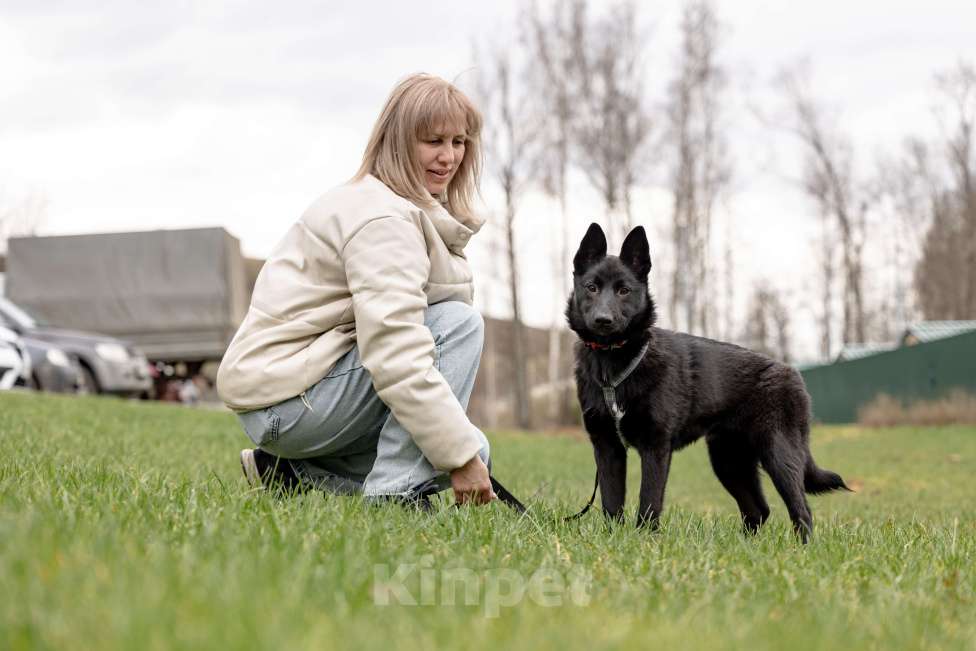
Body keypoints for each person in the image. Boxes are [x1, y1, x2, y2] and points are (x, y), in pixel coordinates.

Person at [216, 73, 497, 509]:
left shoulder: (388, 205)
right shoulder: (382, 220)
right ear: (398, 141)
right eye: (433, 141)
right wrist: (458, 457)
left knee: (468, 445)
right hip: (287, 401)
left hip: (288, 399)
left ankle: (289, 472)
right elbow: (396, 352)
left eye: (459, 142)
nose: (449, 157)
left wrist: (461, 452)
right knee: (458, 328)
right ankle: (394, 495)